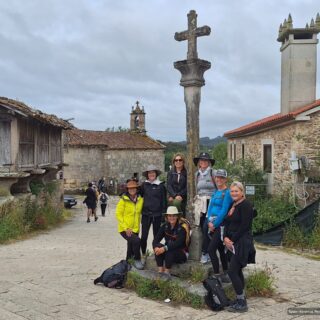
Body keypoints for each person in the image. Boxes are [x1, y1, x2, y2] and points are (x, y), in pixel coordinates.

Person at [224, 181, 256, 313]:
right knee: (236, 271)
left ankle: (242, 302)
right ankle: (240, 298)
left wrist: (231, 239)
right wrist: (225, 237)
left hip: (242, 242)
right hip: (231, 241)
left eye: (236, 191)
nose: (234, 193)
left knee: (232, 271)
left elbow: (245, 226)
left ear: (242, 192)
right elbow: (227, 222)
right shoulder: (234, 204)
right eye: (232, 191)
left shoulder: (246, 205)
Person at [206, 169, 233, 282]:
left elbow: (224, 210)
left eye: (222, 178)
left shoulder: (227, 193)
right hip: (211, 224)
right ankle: (226, 272)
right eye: (217, 177)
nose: (219, 179)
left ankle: (217, 274)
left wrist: (214, 224)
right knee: (220, 250)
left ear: (225, 179)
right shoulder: (216, 192)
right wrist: (208, 221)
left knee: (211, 250)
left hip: (221, 225)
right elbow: (210, 208)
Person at [115, 179, 144, 270]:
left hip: (135, 229)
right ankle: (137, 259)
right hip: (124, 229)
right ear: (127, 189)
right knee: (137, 241)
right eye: (130, 188)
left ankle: (127, 263)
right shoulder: (123, 200)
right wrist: (126, 228)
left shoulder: (140, 199)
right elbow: (118, 214)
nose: (132, 190)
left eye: (133, 188)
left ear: (136, 189)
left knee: (130, 246)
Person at [193, 152, 216, 263]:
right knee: (202, 228)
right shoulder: (197, 174)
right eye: (201, 160)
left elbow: (219, 187)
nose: (203, 162)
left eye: (205, 160)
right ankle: (209, 251)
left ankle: (205, 252)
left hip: (211, 202)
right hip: (201, 204)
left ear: (209, 162)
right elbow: (197, 190)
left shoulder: (213, 173)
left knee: (208, 227)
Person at [140, 165, 167, 258]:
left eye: (153, 172)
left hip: (157, 215)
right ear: (147, 175)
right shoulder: (144, 185)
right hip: (146, 214)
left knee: (156, 237)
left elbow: (164, 201)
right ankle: (143, 254)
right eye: (149, 173)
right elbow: (139, 196)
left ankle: (157, 255)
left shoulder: (161, 186)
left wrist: (164, 215)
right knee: (144, 237)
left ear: (156, 174)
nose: (151, 174)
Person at [153, 206, 187, 276]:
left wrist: (164, 248)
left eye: (174, 216)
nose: (172, 218)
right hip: (168, 251)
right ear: (167, 217)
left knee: (169, 249)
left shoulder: (182, 228)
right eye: (170, 216)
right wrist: (155, 247)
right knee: (158, 246)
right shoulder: (165, 226)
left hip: (180, 253)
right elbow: (155, 240)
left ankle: (167, 272)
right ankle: (160, 271)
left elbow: (178, 243)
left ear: (177, 216)